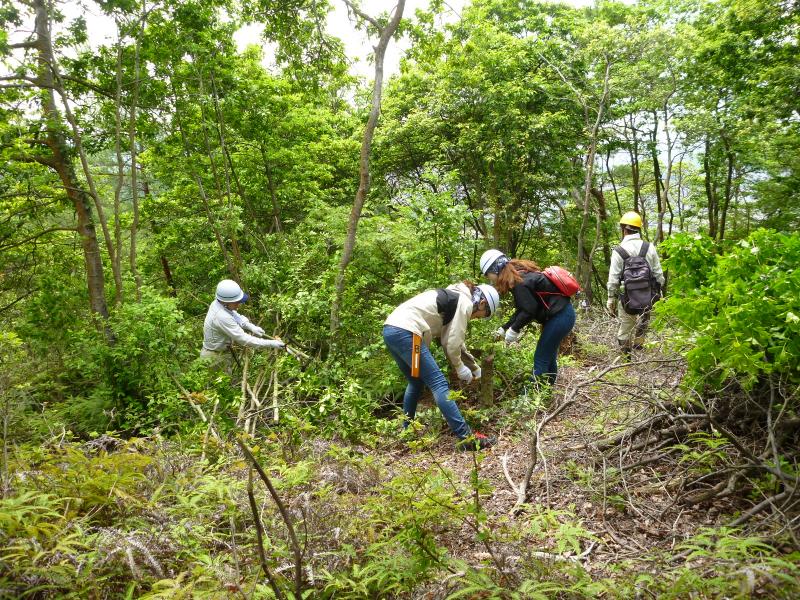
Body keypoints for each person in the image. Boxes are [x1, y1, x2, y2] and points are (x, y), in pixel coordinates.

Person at [383, 281, 500, 451]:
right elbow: (451, 344)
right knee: (439, 384)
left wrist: (474, 368)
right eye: (481, 315)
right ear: (482, 303)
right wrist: (460, 368)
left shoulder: (456, 296)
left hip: (391, 330)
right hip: (407, 332)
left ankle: (406, 433)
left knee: (416, 382)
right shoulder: (465, 303)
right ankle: (466, 438)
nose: (477, 318)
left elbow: (456, 341)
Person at [480, 249, 576, 388]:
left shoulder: (519, 282)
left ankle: (532, 396)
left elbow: (529, 310)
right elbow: (524, 308)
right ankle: (546, 392)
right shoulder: (520, 275)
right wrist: (505, 327)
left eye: (488, 274)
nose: (490, 279)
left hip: (560, 317)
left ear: (495, 269)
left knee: (541, 358)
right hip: (563, 315)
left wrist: (514, 329)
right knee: (548, 358)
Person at [606, 211, 665, 355]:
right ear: (639, 228)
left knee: (626, 326)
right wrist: (659, 292)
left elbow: (613, 279)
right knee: (644, 321)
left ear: (623, 229)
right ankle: (639, 351)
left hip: (627, 297)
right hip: (647, 294)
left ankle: (626, 358)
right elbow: (659, 275)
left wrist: (611, 299)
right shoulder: (649, 247)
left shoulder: (618, 251)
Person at [201, 279, 286, 371]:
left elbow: (233, 314)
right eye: (237, 302)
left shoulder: (218, 303)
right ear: (226, 302)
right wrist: (271, 343)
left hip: (221, 353)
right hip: (214, 358)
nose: (239, 304)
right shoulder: (221, 316)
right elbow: (244, 339)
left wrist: (250, 326)